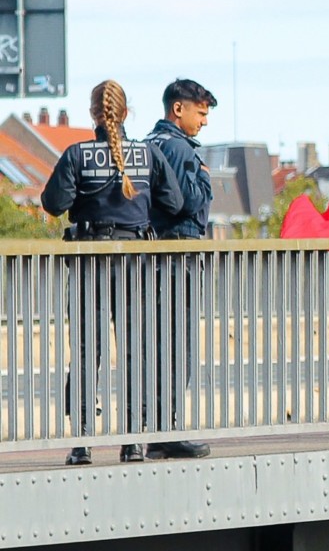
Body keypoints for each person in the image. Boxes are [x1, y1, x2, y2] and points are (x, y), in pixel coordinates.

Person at [41, 80, 184, 466]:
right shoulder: (149, 154)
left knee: (88, 352)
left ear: (93, 114)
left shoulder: (77, 155)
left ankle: (83, 443)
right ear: (126, 114)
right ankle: (133, 441)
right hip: (135, 262)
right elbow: (175, 202)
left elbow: (53, 203)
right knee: (134, 350)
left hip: (90, 263)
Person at [143, 78, 218, 460]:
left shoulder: (147, 144)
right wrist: (205, 176)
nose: (204, 122)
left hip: (149, 257)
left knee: (152, 345)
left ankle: (150, 429)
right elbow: (190, 204)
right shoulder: (178, 149)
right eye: (201, 113)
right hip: (178, 257)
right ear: (179, 109)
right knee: (176, 345)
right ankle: (166, 431)